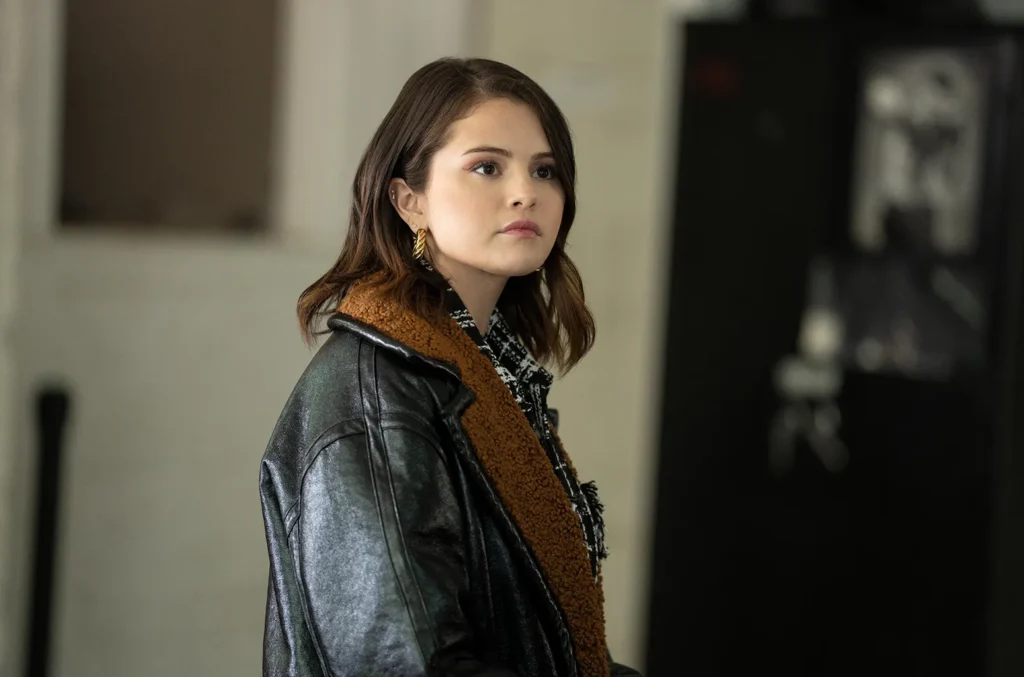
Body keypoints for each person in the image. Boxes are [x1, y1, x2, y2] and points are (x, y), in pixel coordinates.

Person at [259, 57, 641, 677]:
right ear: (410, 201)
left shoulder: (489, 369)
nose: (526, 192)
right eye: (487, 166)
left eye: (545, 170)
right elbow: (405, 664)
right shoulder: (378, 395)